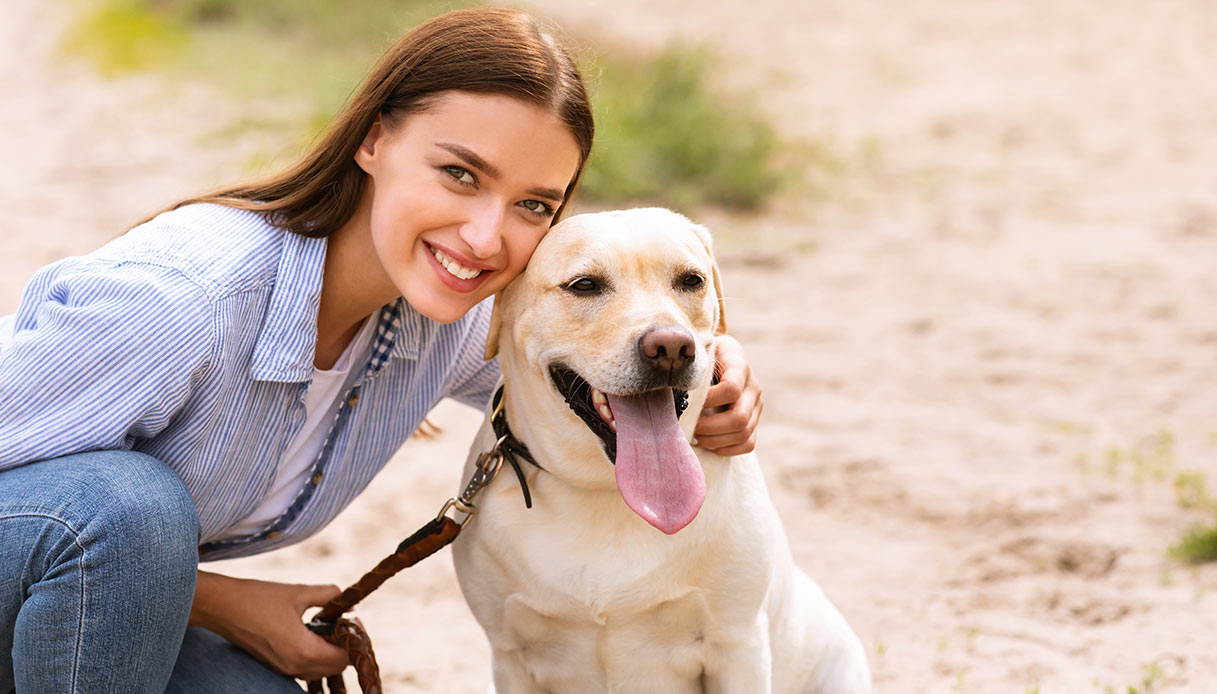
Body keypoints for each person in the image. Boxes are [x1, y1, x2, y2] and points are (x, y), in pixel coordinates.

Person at [0, 7, 763, 692]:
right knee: (130, 506)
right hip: (49, 574)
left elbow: (584, 362)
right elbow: (94, 531)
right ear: (373, 139)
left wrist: (710, 371)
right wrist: (223, 603)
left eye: (533, 204)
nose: (485, 237)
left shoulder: (454, 315)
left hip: (78, 612)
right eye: (459, 174)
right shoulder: (180, 302)